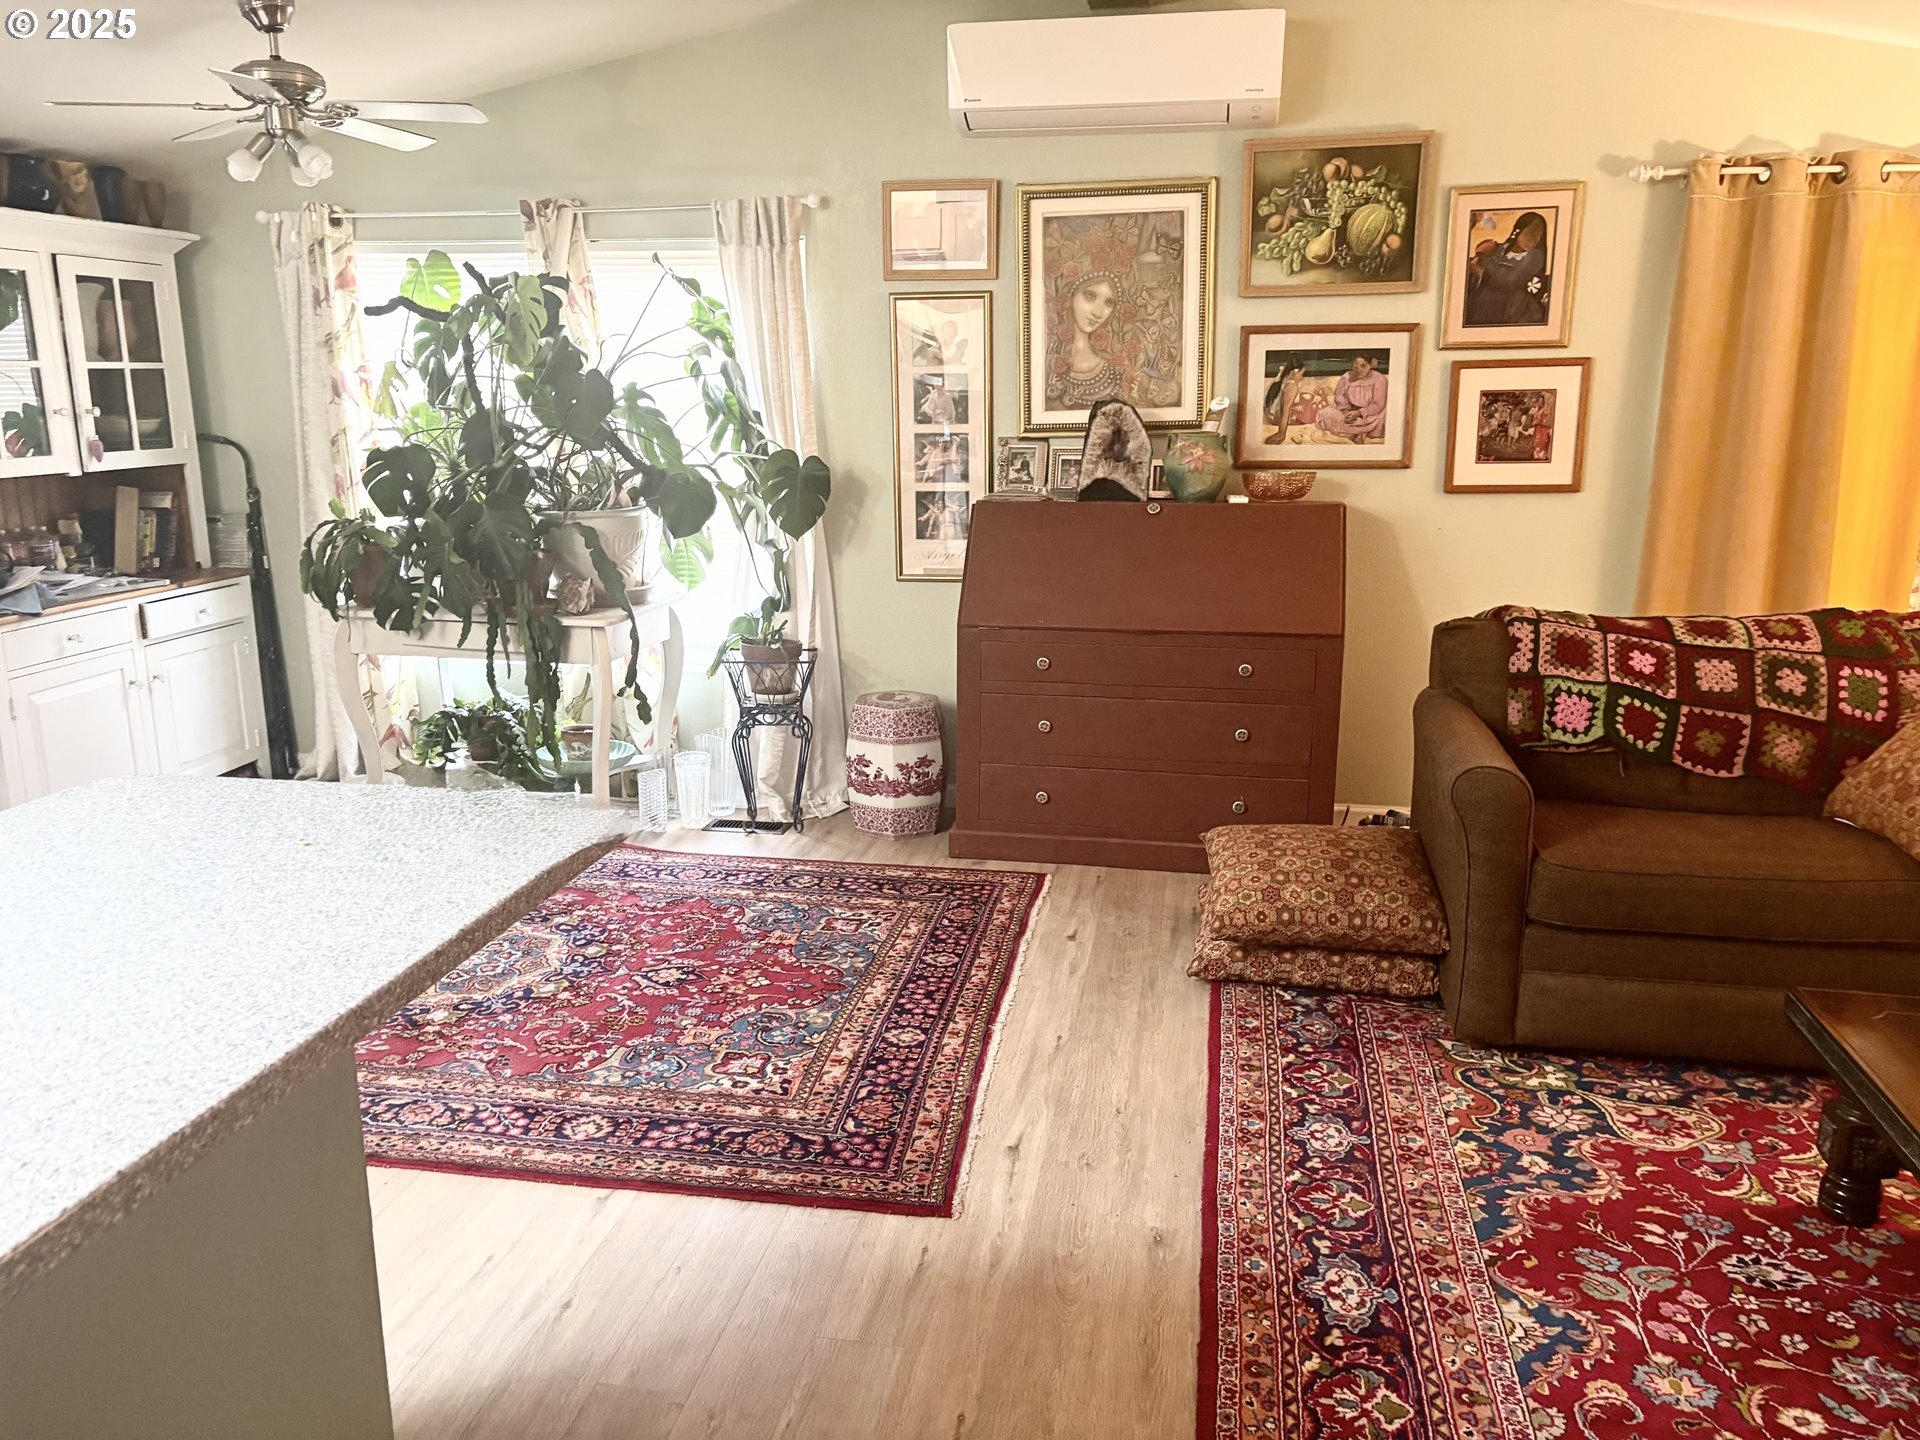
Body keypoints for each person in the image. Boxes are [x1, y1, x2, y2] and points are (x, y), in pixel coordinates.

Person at [1463, 211, 1551, 328]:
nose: (1535, 237)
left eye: (1539, 233)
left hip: (1512, 308)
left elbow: (1511, 280)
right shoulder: (1498, 248)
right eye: (1532, 231)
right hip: (1483, 304)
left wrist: (1482, 270)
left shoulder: (1535, 257)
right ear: (1519, 230)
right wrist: (1480, 254)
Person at [1313, 354, 1389, 442]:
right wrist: (1346, 411)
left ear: (1370, 365)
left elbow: (1378, 405)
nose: (1359, 370)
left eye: (1363, 366)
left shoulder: (1379, 379)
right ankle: (1355, 433)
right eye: (1356, 367)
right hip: (1351, 409)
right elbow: (1340, 397)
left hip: (1372, 412)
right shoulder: (1346, 377)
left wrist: (1359, 413)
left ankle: (1361, 432)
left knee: (1377, 421)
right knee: (1327, 415)